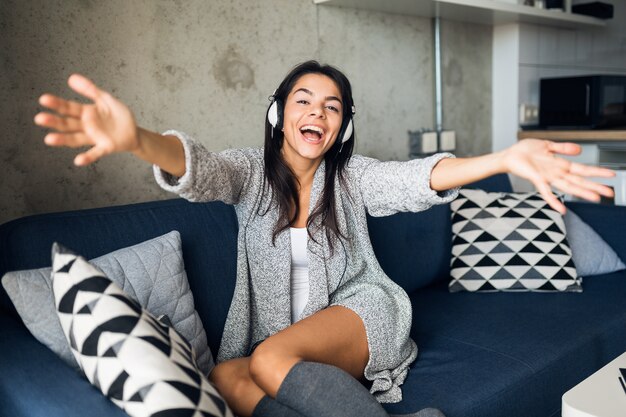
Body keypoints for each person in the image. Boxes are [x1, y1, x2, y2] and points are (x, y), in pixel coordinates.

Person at [35, 61, 614, 417]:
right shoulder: (249, 175)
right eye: (304, 101)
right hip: (276, 339)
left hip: (363, 312)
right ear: (279, 114)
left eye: (332, 107)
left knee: (270, 357)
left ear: (342, 127)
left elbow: (418, 179)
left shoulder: (354, 176)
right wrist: (136, 137)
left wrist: (504, 158)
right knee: (227, 376)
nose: (318, 112)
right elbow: (198, 167)